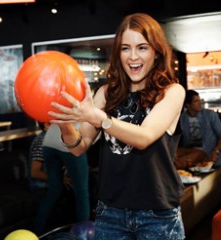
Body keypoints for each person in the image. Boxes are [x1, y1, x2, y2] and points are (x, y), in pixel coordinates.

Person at [48, 13, 186, 240]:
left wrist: (101, 118)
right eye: (125, 48)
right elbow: (78, 147)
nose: (133, 56)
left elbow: (144, 137)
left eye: (142, 47)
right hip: (110, 213)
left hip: (157, 214)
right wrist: (64, 125)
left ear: (156, 52)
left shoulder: (171, 92)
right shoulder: (105, 93)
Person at [33, 123, 90, 235]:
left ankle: (35, 233)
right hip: (71, 138)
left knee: (54, 191)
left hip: (49, 139)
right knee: (82, 193)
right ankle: (83, 235)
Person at [178, 89, 221, 168]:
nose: (200, 103)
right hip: (192, 158)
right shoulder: (182, 118)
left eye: (199, 100)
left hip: (211, 156)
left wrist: (216, 151)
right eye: (196, 101)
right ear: (187, 105)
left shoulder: (210, 115)